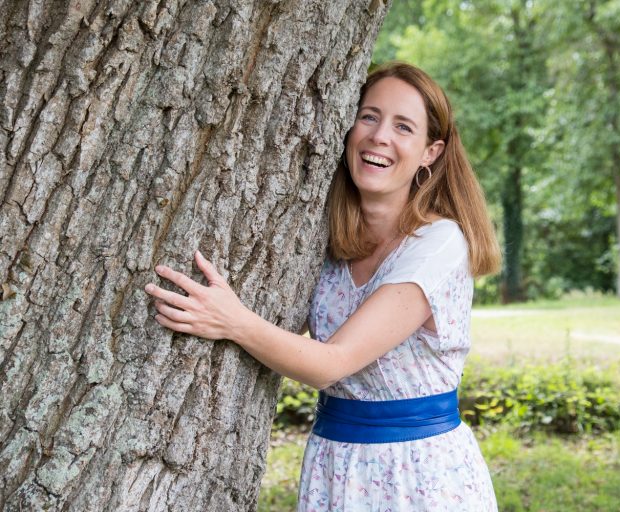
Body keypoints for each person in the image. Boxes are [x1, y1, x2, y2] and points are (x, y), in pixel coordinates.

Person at [144, 62, 501, 511]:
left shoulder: (438, 242)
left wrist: (232, 321)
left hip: (419, 473)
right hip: (335, 462)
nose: (379, 137)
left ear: (431, 152)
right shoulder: (326, 238)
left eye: (403, 127)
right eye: (369, 116)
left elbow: (333, 364)